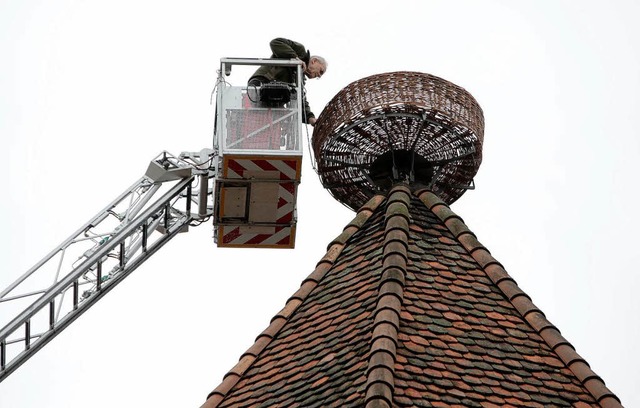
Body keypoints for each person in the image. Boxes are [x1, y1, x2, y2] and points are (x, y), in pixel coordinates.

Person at [248, 38, 327, 126]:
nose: (319, 76)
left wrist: (310, 118)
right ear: (314, 61)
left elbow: (300, 100)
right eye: (321, 71)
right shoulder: (300, 50)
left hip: (274, 98)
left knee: (276, 126)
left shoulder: (300, 79)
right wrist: (294, 58)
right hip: (262, 82)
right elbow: (275, 42)